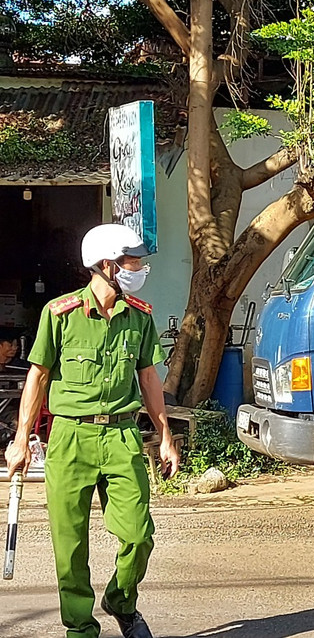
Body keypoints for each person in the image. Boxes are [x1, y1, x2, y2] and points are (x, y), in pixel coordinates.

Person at [4, 223, 180, 638]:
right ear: (108, 266)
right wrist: (20, 440)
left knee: (139, 534)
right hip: (69, 438)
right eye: (133, 261)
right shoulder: (59, 315)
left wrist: (166, 437)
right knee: (70, 546)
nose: (140, 268)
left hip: (121, 436)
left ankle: (121, 600)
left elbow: (150, 380)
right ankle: (81, 629)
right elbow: (37, 377)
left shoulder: (138, 317)